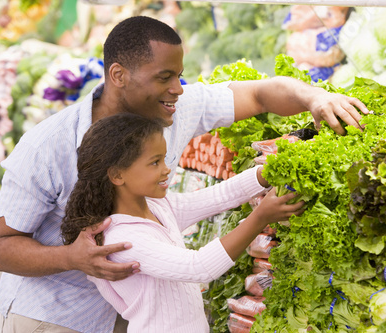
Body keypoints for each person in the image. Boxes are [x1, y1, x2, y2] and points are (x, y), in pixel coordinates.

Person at [0, 16, 369, 333]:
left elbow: (261, 94)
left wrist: (314, 98)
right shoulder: (46, 146)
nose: (177, 89)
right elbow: (2, 247)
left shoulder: (172, 109)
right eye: (164, 77)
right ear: (119, 75)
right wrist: (72, 258)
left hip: (131, 313)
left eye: (180, 76)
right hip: (53, 318)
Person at [60, 113, 304, 332]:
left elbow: (220, 196)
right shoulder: (122, 239)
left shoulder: (157, 207)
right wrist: (260, 216)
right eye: (155, 162)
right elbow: (199, 266)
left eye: (165, 159)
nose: (167, 170)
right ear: (117, 175)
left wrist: (266, 172)